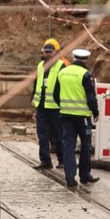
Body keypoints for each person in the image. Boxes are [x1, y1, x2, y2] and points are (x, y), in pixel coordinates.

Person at [54, 48, 100, 190]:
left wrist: (63, 107)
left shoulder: (62, 73)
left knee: (68, 145)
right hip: (83, 117)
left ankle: (70, 178)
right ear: (86, 60)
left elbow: (55, 94)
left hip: (66, 116)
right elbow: (91, 97)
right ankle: (85, 175)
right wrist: (95, 112)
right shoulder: (86, 75)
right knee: (85, 145)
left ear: (73, 58)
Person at [32, 38, 66, 170]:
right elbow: (36, 83)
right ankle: (45, 161)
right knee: (42, 136)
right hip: (41, 106)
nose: (47, 54)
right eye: (46, 52)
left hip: (55, 107)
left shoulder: (62, 66)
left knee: (58, 136)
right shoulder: (40, 65)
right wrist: (32, 97)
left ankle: (62, 160)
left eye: (50, 52)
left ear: (56, 52)